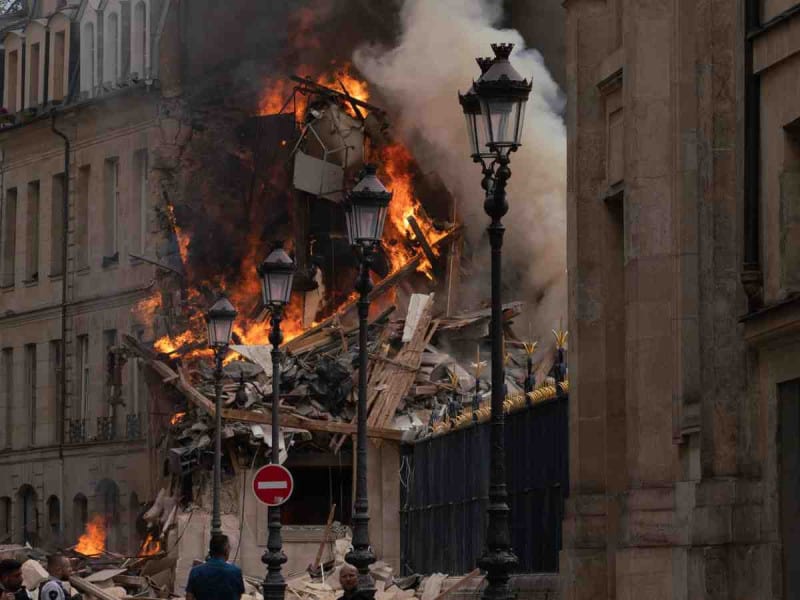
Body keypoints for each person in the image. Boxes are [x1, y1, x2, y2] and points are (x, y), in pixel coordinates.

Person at [185, 534, 244, 600]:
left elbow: (189, 597)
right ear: (226, 550)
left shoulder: (195, 571)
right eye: (229, 547)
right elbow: (238, 596)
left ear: (210, 550)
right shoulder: (236, 572)